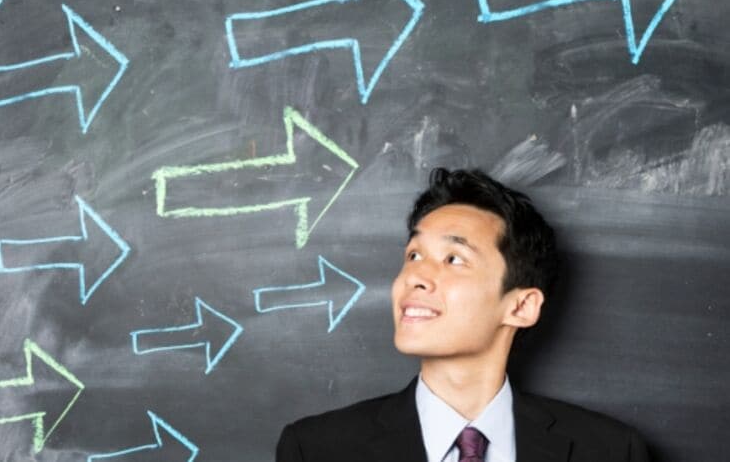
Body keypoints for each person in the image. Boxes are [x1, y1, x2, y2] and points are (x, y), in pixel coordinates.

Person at [275, 168, 650, 462]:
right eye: (413, 256)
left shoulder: (611, 452)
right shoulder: (317, 450)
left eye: (454, 259)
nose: (415, 278)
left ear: (520, 306)